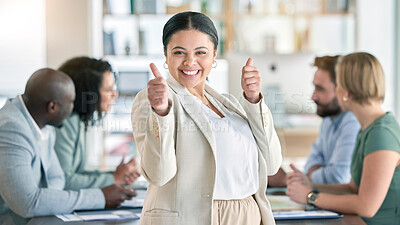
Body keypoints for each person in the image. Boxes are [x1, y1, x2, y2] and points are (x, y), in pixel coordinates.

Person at [131, 11, 282, 225]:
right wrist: (161, 112)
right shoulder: (153, 101)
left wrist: (254, 98)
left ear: (214, 55)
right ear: (166, 55)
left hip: (248, 215)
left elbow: (272, 164)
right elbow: (160, 174)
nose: (190, 62)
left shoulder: (230, 104)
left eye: (201, 52)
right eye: (179, 52)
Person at [0, 68, 136, 225]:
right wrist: (100, 197)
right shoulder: (11, 128)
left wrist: (44, 198)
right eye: (70, 102)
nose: (73, 108)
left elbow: (57, 178)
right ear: (52, 107)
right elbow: (28, 202)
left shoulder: (44, 123)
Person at [286, 52, 400, 225]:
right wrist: (311, 185)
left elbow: (366, 206)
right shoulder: (368, 128)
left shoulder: (381, 134)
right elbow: (352, 189)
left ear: (346, 91)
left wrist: (311, 197)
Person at [268, 55, 360, 187]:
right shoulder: (329, 119)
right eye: (314, 87)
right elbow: (312, 162)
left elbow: (338, 177)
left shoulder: (353, 122)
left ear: (342, 90)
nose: (313, 96)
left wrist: (307, 178)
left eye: (320, 89)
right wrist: (309, 175)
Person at [54, 56, 140, 190]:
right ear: (87, 93)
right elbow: (64, 181)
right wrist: (114, 178)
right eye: (107, 89)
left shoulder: (82, 121)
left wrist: (116, 175)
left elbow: (78, 174)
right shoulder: (65, 123)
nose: (115, 94)